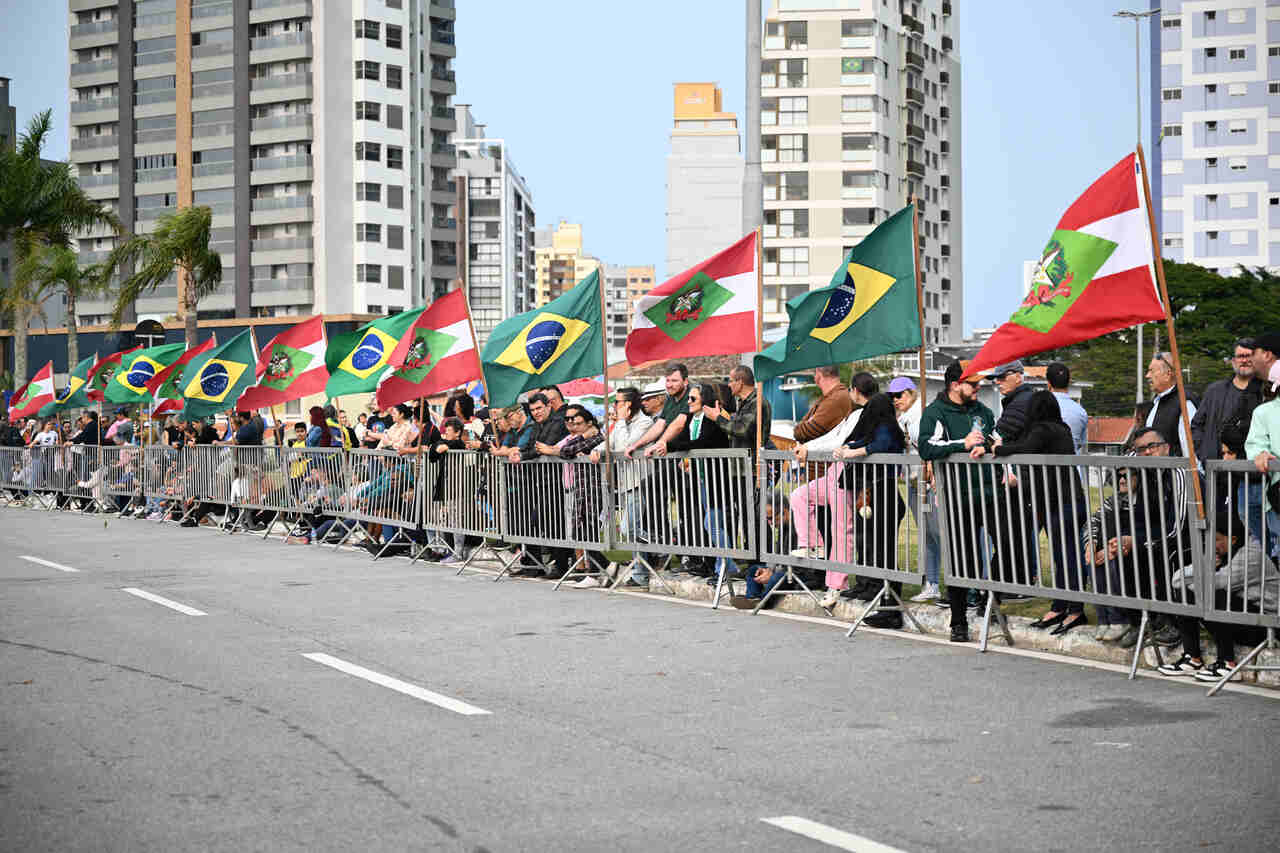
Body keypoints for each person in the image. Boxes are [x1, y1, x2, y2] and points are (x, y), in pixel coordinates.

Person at [994, 390, 1089, 634]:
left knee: (1067, 557)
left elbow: (1025, 448)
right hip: (1066, 500)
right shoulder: (1062, 428)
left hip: (1062, 501)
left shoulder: (1043, 430)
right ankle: (1061, 606)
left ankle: (1075, 610)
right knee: (1064, 556)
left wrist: (1000, 448)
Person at [918, 360, 997, 642]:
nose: (979, 388)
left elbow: (994, 436)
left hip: (989, 494)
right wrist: (961, 445)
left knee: (1010, 546)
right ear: (955, 385)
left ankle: (990, 599)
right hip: (956, 496)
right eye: (973, 384)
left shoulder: (983, 410)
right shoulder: (935, 412)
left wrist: (986, 446)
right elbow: (927, 446)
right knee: (962, 558)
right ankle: (959, 621)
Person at [1090, 428, 1190, 648]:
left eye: (1152, 447)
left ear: (1167, 448)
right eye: (1141, 449)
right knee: (1124, 552)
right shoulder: (1144, 468)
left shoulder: (1180, 473)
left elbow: (1179, 529)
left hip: (1185, 540)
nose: (1146, 453)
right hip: (1155, 535)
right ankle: (1138, 622)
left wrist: (1138, 541)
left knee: (1160, 552)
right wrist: (1123, 541)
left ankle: (1170, 622)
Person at [1161, 512, 1277, 682]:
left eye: (1216, 540)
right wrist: (1202, 569)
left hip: (1266, 624)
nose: (1211, 545)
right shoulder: (1223, 551)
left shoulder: (1252, 554)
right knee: (1188, 592)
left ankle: (1227, 663)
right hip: (1240, 618)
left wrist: (1199, 575)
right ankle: (1192, 658)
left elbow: (1217, 584)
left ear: (1232, 539)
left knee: (1215, 594)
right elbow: (1176, 580)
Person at [788, 371, 870, 600]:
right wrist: (808, 447)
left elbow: (837, 440)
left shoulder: (863, 413)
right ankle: (813, 543)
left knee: (842, 530)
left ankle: (836, 585)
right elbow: (834, 435)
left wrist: (808, 447)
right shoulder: (853, 414)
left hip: (849, 475)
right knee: (799, 495)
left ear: (855, 391)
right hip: (835, 471)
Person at [835, 392, 909, 627]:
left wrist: (853, 452)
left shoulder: (888, 429)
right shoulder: (880, 426)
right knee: (879, 552)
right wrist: (846, 446)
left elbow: (879, 445)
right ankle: (886, 604)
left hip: (885, 496)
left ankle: (891, 609)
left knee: (885, 554)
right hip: (876, 497)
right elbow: (865, 440)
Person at [663, 383, 737, 585]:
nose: (688, 402)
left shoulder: (712, 419)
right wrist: (667, 445)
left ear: (704, 399)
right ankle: (725, 565)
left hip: (718, 477)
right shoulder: (692, 419)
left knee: (712, 523)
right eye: (689, 398)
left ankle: (726, 565)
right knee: (712, 523)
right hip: (703, 478)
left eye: (693, 398)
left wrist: (669, 446)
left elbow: (701, 443)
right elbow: (684, 439)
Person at [888, 377, 944, 603]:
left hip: (928, 482)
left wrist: (930, 465)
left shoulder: (922, 416)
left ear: (911, 393)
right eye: (893, 396)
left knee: (939, 534)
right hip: (914, 483)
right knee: (928, 535)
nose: (896, 400)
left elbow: (934, 442)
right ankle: (932, 582)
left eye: (900, 395)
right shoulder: (904, 419)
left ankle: (960, 584)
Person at [595, 387, 655, 588]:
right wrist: (596, 451)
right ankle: (641, 571)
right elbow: (609, 444)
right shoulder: (623, 424)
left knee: (630, 527)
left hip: (640, 480)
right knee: (631, 528)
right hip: (626, 482)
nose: (615, 406)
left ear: (628, 404)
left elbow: (623, 447)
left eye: (618, 402)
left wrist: (620, 421)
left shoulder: (644, 422)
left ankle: (662, 547)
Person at [1190, 338, 1263, 465]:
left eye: (1249, 356)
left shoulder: (1266, 391)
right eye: (1240, 356)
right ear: (1233, 360)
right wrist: (1204, 453)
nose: (1244, 360)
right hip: (1216, 469)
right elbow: (1197, 425)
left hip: (1252, 471)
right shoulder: (1215, 391)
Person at [558, 405, 608, 588]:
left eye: (580, 424)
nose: (576, 427)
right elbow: (565, 450)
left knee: (590, 528)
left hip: (593, 486)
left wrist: (579, 442)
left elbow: (566, 451)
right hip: (580, 487)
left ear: (590, 423)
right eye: (573, 424)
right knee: (581, 529)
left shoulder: (597, 438)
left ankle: (596, 570)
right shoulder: (582, 438)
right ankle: (605, 566)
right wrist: (579, 438)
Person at [1145, 351, 1197, 456]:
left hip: (1177, 471)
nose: (1147, 376)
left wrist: (1193, 471)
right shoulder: (1156, 402)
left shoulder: (1184, 402)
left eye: (1152, 371)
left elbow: (1190, 448)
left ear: (1168, 374)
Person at [1046, 362, 1088, 453]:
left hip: (1046, 464)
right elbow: (1082, 444)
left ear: (1048, 383)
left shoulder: (1040, 407)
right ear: (1069, 382)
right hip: (1073, 464)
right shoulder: (1081, 411)